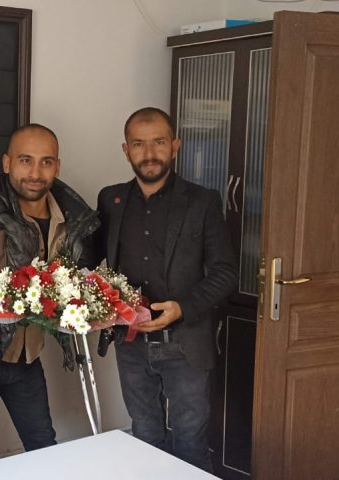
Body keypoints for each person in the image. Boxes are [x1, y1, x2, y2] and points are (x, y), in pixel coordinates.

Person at [0, 123, 99, 466]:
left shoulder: (72, 215)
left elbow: (76, 276)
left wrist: (79, 301)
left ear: (57, 166)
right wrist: (33, 301)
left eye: (46, 162)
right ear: (7, 163)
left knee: (43, 443)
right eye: (25, 160)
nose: (35, 173)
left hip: (27, 356)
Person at [96, 107, 237, 472]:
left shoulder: (202, 201)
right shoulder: (110, 199)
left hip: (185, 343)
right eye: (138, 144)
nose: (149, 153)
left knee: (190, 441)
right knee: (144, 437)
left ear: (175, 145)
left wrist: (181, 307)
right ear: (126, 150)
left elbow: (225, 274)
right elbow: (92, 263)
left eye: (158, 142)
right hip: (130, 344)